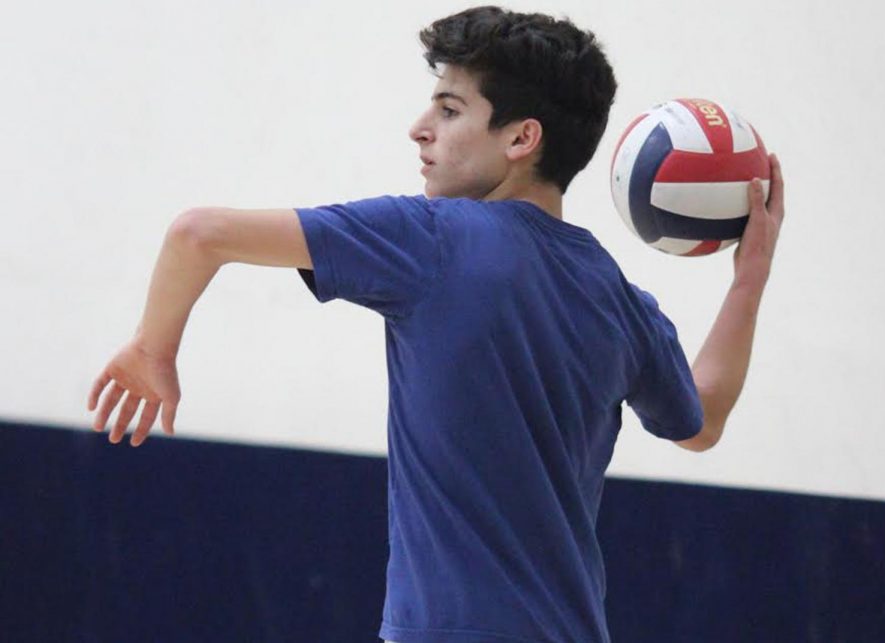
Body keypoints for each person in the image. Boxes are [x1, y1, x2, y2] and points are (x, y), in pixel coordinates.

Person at [87, 6, 785, 642]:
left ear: (522, 137)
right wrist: (749, 277)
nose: (419, 127)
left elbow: (197, 233)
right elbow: (704, 419)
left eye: (449, 110)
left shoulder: (431, 239)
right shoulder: (619, 301)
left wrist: (155, 348)